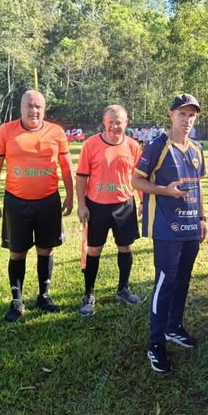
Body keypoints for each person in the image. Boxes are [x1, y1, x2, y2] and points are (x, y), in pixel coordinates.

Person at [132, 93, 208, 373]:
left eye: (192, 115)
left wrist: (202, 217)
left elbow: (198, 185)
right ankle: (156, 343)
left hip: (191, 227)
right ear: (171, 115)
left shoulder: (197, 148)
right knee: (165, 282)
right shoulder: (157, 146)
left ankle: (173, 326)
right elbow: (135, 180)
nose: (187, 120)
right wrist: (164, 190)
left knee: (183, 280)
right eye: (182, 114)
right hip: (167, 228)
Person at [0, 90, 74, 322]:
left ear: (44, 109)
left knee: (46, 249)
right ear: (21, 108)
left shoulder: (56, 132)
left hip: (48, 201)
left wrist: (71, 195)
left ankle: (44, 296)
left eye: (38, 106)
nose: (34, 110)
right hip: (17, 202)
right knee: (17, 251)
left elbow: (66, 166)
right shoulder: (6, 131)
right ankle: (17, 301)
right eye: (29, 106)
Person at [76, 105, 143, 317]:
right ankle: (88, 294)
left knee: (126, 247)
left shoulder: (133, 146)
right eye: (111, 122)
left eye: (119, 122)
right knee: (94, 250)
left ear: (126, 122)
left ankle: (123, 289)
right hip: (97, 206)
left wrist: (143, 201)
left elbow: (139, 177)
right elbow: (82, 177)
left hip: (125, 205)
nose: (115, 126)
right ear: (104, 122)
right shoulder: (91, 144)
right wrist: (81, 205)